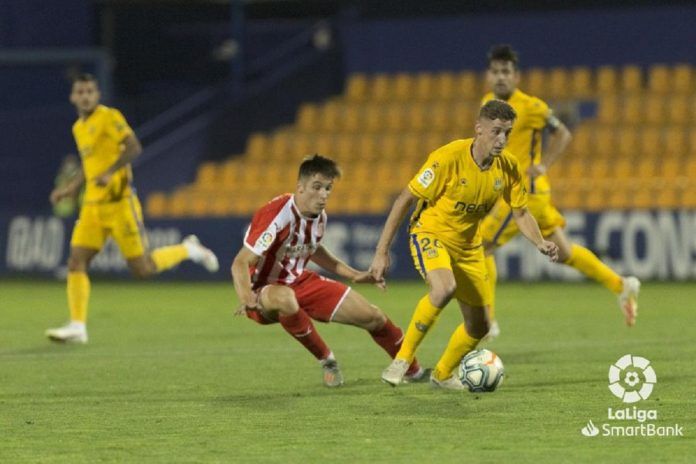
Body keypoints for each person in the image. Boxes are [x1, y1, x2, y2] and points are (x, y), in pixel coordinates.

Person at [371, 100, 559, 390]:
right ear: (479, 129)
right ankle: (402, 360)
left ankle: (443, 374)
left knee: (479, 326)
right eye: (496, 131)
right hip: (431, 233)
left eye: (507, 133)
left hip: (469, 248)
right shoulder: (447, 157)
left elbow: (520, 212)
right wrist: (381, 252)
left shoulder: (508, 167)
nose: (502, 140)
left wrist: (540, 242)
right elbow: (404, 200)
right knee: (444, 288)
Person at [480, 45, 640, 339]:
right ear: (488, 75)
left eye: (506, 72)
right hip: (527, 195)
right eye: (495, 71)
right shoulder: (487, 103)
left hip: (524, 194)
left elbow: (563, 132)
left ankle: (486, 321)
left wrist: (543, 165)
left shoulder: (532, 106)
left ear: (516, 76)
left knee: (481, 247)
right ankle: (621, 285)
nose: (500, 77)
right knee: (564, 253)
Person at [46, 73, 219, 344]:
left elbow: (134, 147)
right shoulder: (78, 128)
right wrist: (71, 188)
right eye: (80, 92)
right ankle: (78, 325)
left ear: (97, 94)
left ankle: (188, 249)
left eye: (90, 91)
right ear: (73, 97)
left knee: (143, 269)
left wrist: (110, 171)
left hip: (120, 204)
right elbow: (87, 164)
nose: (86, 96)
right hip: (92, 206)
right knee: (76, 262)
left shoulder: (109, 117)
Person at [231, 154, 426, 387]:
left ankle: (413, 371)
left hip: (300, 281)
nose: (323, 194)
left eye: (328, 188)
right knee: (286, 298)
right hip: (263, 290)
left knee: (373, 317)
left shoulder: (319, 216)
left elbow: (313, 249)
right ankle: (327, 360)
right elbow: (240, 262)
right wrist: (246, 297)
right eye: (317, 187)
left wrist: (354, 274)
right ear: (300, 188)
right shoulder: (277, 214)